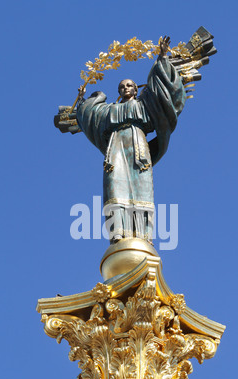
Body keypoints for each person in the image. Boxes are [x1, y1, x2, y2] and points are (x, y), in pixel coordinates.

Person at [66, 37, 186, 244]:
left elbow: (161, 89)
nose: (125, 88)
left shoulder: (144, 104)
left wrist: (162, 57)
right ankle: (118, 232)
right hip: (115, 148)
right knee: (115, 186)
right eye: (122, 86)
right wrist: (83, 101)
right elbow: (91, 116)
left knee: (141, 187)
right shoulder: (110, 110)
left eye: (129, 85)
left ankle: (143, 234)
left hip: (138, 146)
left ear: (136, 89)